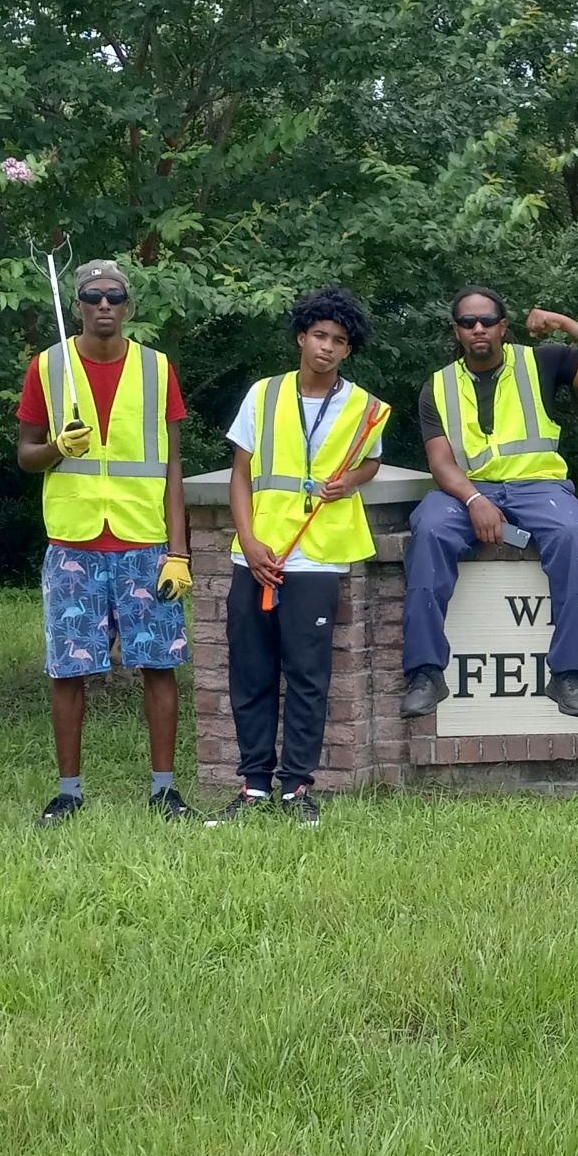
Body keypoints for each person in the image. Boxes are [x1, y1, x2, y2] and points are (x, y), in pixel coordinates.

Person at [16, 259, 194, 826]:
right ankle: (69, 792)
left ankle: (163, 789)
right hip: (73, 540)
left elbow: (171, 466)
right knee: (69, 670)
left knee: (159, 664)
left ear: (129, 304)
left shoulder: (157, 368)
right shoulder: (47, 368)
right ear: (78, 305)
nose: (104, 306)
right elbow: (26, 455)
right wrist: (57, 450)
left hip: (144, 540)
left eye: (114, 296)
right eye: (92, 296)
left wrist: (180, 550)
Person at [401, 287, 578, 721]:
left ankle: (569, 676)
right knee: (428, 530)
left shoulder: (539, 361)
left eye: (487, 320)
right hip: (466, 491)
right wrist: (474, 500)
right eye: (468, 322)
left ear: (503, 327)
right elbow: (440, 461)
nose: (478, 328)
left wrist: (563, 323)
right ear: (457, 331)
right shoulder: (437, 385)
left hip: (538, 488)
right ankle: (425, 674)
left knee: (568, 533)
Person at [208, 287, 389, 828]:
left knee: (308, 675)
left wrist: (349, 482)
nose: (327, 347)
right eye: (319, 335)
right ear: (301, 337)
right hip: (258, 552)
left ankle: (298, 787)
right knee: (252, 671)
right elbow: (240, 474)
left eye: (339, 340)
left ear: (348, 350)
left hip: (318, 553)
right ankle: (253, 786)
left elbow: (371, 465)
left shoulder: (363, 406)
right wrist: (249, 540)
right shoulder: (263, 395)